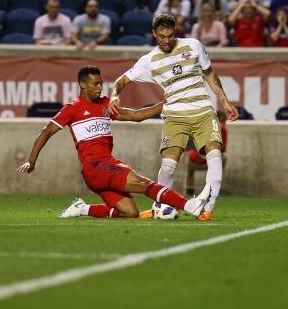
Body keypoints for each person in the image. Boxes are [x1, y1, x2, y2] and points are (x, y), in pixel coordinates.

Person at [16, 65, 212, 219]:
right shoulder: (72, 108)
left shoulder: (105, 104)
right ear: (82, 85)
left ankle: (82, 209)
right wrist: (31, 161)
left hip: (99, 169)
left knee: (130, 212)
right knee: (144, 184)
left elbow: (136, 116)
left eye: (101, 83)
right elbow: (46, 131)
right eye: (95, 84)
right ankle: (190, 206)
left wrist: (166, 103)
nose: (100, 87)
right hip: (96, 165)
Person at [108, 13, 239, 221]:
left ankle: (207, 208)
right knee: (168, 165)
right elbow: (121, 81)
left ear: (175, 31)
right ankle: (160, 206)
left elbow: (209, 74)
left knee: (215, 153)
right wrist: (114, 95)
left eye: (170, 35)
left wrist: (224, 100)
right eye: (162, 36)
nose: (167, 40)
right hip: (174, 116)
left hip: (203, 111)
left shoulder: (193, 45)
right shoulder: (148, 60)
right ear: (154, 34)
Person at [185, 111, 227, 197]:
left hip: (193, 160)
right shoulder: (222, 127)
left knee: (189, 161)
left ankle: (189, 191)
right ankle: (212, 188)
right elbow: (223, 149)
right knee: (223, 157)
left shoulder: (199, 125)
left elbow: (187, 144)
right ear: (221, 118)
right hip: (209, 160)